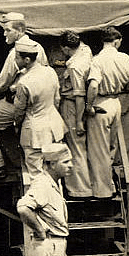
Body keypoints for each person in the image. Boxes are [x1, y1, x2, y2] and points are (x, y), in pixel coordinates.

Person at [0, 12, 48, 180]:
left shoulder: (15, 53)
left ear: (20, 30)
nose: (4, 34)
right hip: (38, 103)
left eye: (8, 30)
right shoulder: (39, 47)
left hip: (19, 102)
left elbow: (0, 86)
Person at [85, 26, 129, 198]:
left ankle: (103, 191)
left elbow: (93, 85)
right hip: (116, 102)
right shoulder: (125, 58)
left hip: (101, 103)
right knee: (111, 147)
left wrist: (88, 106)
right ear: (117, 41)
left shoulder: (97, 60)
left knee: (98, 149)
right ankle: (111, 185)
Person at [12, 39, 66, 184]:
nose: (15, 60)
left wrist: (17, 126)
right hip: (54, 128)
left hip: (34, 132)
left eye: (17, 57)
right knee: (54, 174)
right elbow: (57, 99)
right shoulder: (50, 71)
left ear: (27, 60)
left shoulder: (24, 83)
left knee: (37, 176)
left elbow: (19, 112)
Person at [58, 31, 93, 197]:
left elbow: (79, 95)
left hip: (73, 106)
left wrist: (78, 121)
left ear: (66, 48)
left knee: (75, 146)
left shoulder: (75, 66)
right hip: (80, 105)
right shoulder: (86, 50)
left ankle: (81, 190)